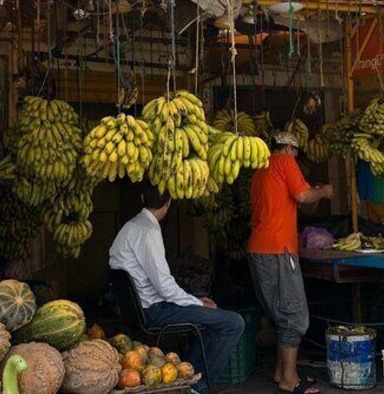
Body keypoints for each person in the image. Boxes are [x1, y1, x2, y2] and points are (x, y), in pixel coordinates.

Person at [109, 185, 244, 393]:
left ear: (142, 197)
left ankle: (189, 377)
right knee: (233, 322)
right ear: (168, 204)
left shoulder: (130, 227)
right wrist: (198, 303)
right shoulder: (148, 231)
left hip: (139, 310)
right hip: (154, 312)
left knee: (207, 319)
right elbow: (165, 287)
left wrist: (195, 302)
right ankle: (198, 387)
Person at [248, 132, 334, 394]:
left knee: (280, 312)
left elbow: (293, 200)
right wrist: (324, 191)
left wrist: (312, 193)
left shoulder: (260, 169)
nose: (296, 158)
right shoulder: (284, 162)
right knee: (294, 315)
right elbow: (304, 196)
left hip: (259, 248)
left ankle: (280, 372)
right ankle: (289, 379)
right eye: (296, 153)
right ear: (288, 148)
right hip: (277, 249)